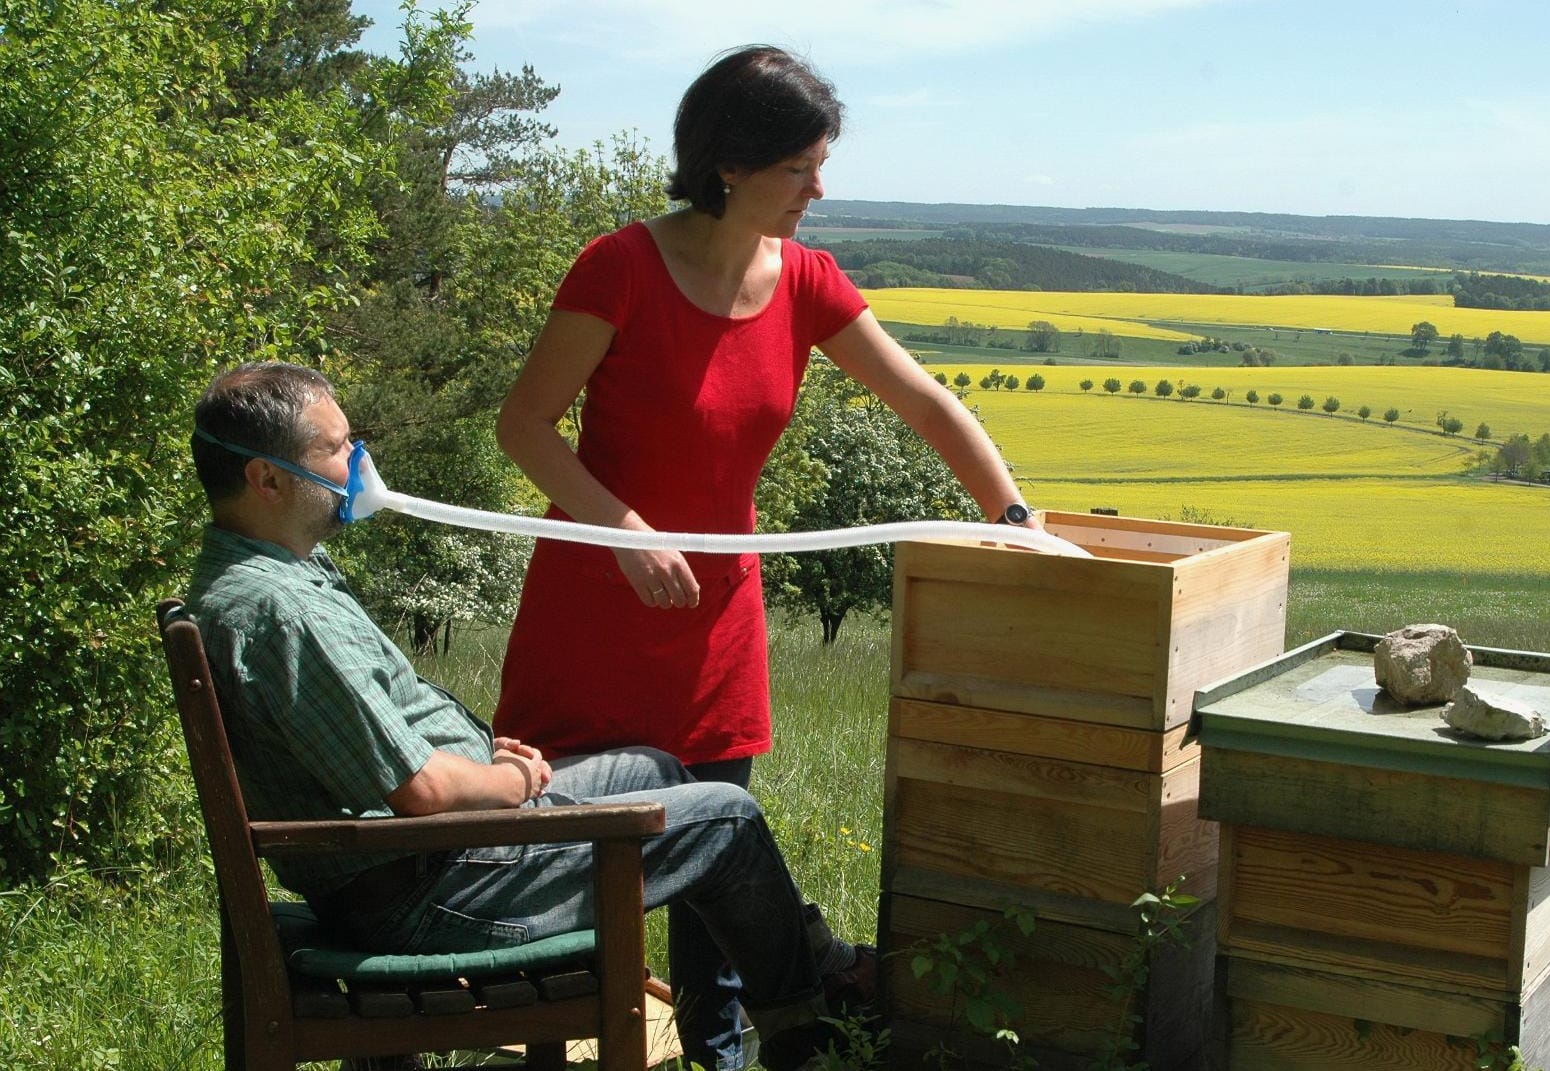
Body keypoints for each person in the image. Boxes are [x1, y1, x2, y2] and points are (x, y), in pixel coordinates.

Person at [491, 44, 1033, 1067]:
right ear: (728, 162)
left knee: (714, 854)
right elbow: (523, 426)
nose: (818, 191)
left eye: (820, 166)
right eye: (799, 169)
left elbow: (926, 403)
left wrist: (1013, 518)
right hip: (594, 608)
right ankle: (551, 1037)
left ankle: (724, 1053)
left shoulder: (810, 281)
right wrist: (622, 529)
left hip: (718, 619)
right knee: (562, 854)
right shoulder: (619, 267)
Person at [183, 362, 871, 1071]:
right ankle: (810, 1040)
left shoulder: (274, 575)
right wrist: (506, 782)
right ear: (266, 480)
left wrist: (481, 758)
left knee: (654, 768)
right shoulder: (276, 610)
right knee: (725, 817)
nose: (357, 460)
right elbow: (417, 790)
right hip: (437, 888)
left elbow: (371, 749)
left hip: (426, 858)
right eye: (335, 447)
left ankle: (788, 991)